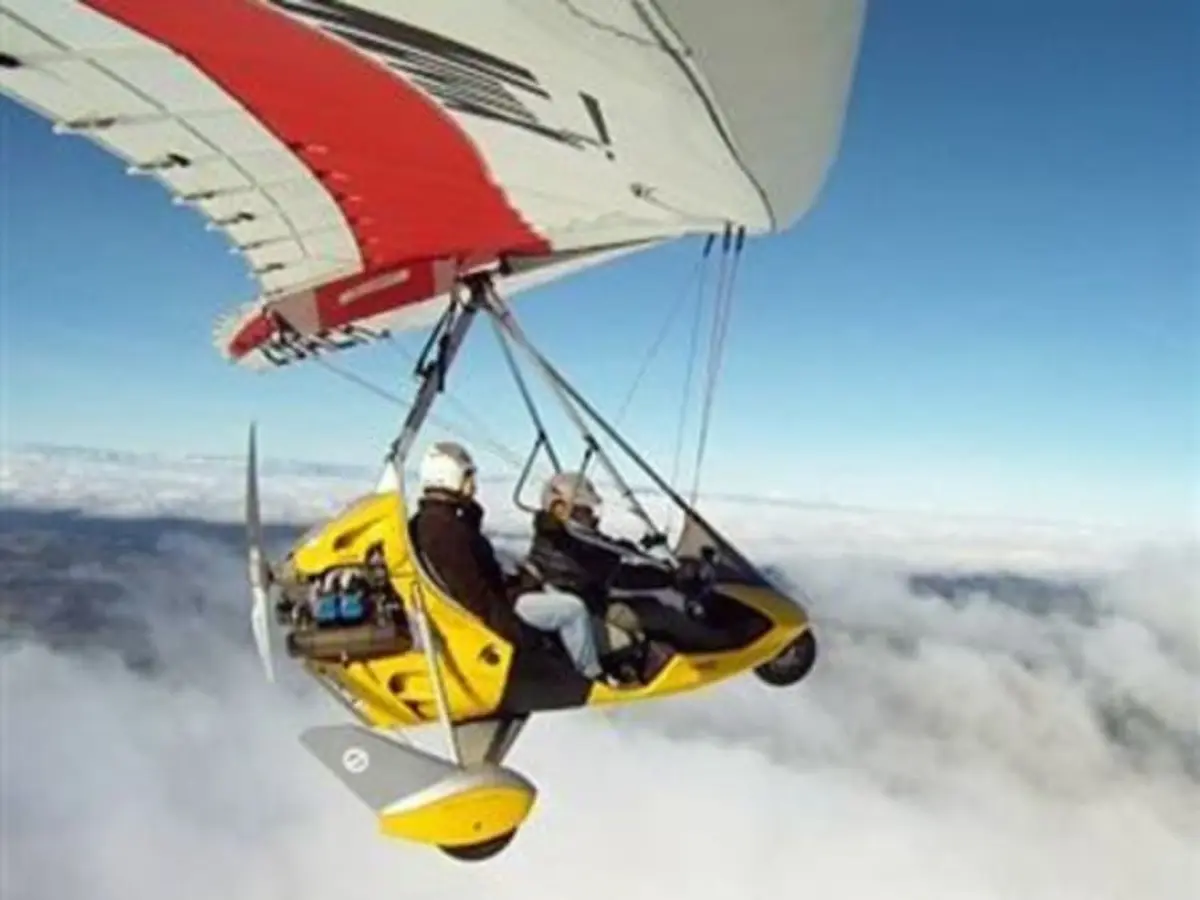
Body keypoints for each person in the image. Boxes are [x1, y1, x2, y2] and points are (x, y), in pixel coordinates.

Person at [408, 441, 606, 680]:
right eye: (468, 476)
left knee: (553, 592)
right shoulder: (445, 530)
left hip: (503, 597)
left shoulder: (440, 522)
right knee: (573, 609)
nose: (474, 484)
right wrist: (517, 635)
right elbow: (476, 598)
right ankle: (591, 678)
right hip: (500, 608)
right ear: (450, 477)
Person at [524, 470, 731, 655]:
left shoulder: (560, 535)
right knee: (656, 613)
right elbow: (620, 575)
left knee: (651, 604)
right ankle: (720, 646)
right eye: (584, 510)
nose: (592, 516)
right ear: (561, 510)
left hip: (587, 603)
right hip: (586, 616)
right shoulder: (565, 544)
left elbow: (605, 549)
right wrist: (669, 578)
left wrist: (637, 551)